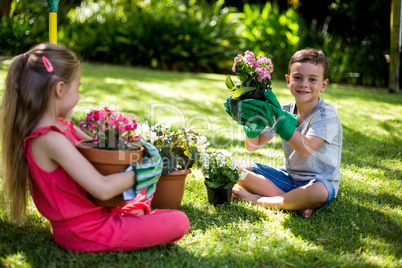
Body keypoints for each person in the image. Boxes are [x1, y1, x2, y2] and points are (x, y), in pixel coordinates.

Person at [0, 43, 189, 252]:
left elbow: (101, 150)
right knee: (180, 222)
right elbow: (102, 187)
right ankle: (132, 219)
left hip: (98, 212)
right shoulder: (49, 139)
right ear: (60, 89)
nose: (79, 96)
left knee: (142, 198)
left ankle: (132, 216)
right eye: (77, 87)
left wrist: (128, 145)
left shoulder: (61, 128)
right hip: (86, 232)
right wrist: (145, 171)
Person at [225, 48, 342, 218]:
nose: (304, 83)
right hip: (288, 179)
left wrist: (279, 121)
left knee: (317, 192)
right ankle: (295, 203)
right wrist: (251, 126)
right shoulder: (284, 110)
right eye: (298, 77)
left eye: (312, 79)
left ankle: (256, 200)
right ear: (288, 80)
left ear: (323, 85)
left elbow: (305, 148)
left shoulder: (327, 114)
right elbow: (253, 145)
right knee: (237, 169)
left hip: (319, 183)